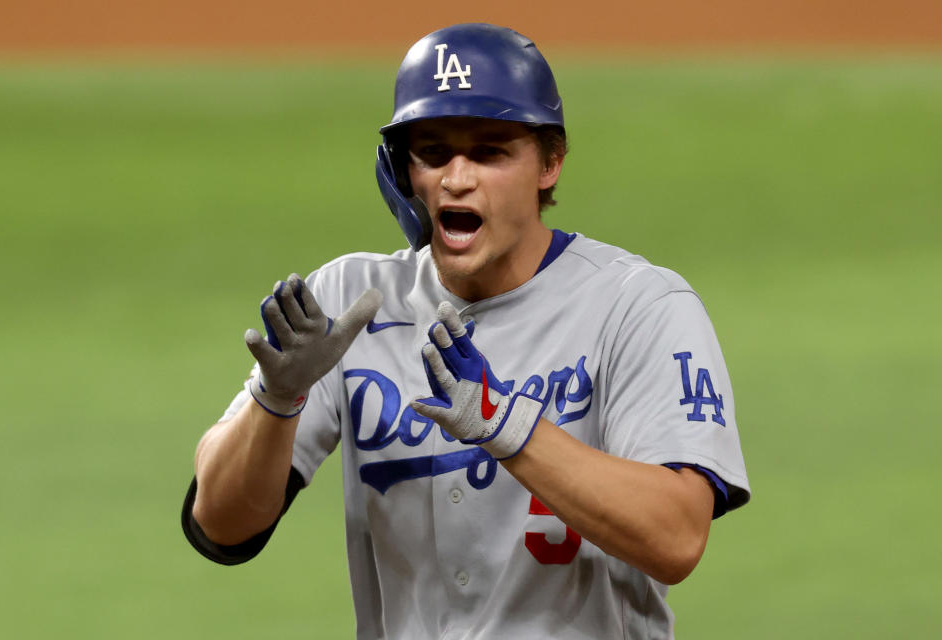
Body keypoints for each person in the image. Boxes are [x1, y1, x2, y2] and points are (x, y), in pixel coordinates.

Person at [181, 22, 750, 639]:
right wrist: (277, 400)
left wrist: (507, 425)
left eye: (489, 151)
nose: (456, 178)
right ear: (402, 172)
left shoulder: (637, 306)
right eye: (432, 153)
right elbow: (220, 526)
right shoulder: (351, 305)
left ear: (550, 162)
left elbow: (677, 537)